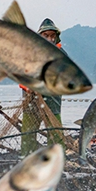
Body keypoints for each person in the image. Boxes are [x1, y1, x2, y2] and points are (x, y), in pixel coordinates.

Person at [20, 18, 65, 156]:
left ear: (56, 37)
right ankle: (26, 162)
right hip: (31, 101)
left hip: (52, 102)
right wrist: (29, 87)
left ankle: (57, 162)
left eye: (52, 36)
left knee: (56, 135)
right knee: (28, 135)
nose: (49, 39)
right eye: (46, 36)